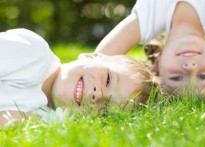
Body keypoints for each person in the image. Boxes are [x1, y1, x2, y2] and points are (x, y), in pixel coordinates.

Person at [94, 0, 205, 99]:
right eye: (204, 76)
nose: (191, 67)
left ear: (157, 62)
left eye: (176, 77)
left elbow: (98, 59)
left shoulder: (150, 18)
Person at [0, 28, 159, 125]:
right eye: (108, 80)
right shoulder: (34, 55)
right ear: (91, 57)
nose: (98, 95)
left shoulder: (47, 116)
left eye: (104, 110)